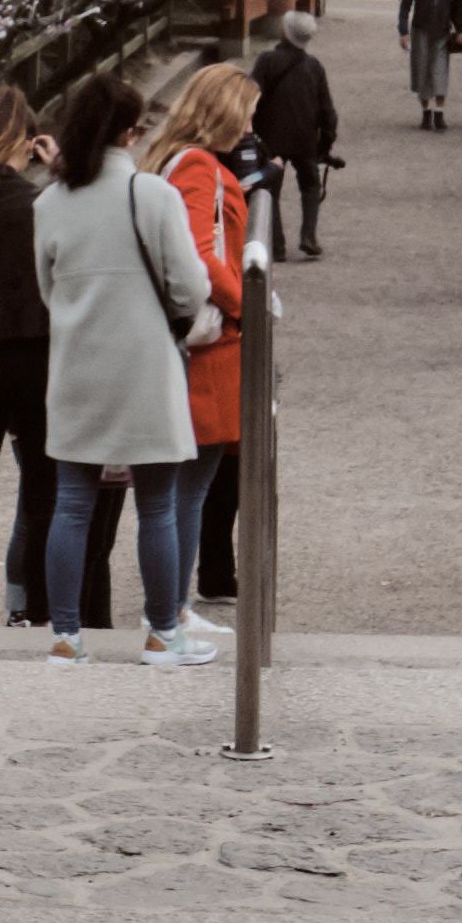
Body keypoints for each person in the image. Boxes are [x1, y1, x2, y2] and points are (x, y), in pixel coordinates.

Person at [33, 68, 221, 661]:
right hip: (145, 364)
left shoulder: (49, 202)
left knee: (72, 502)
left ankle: (65, 637)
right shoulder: (154, 195)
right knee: (157, 505)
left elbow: (47, 289)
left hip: (77, 362)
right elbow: (190, 288)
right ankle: (163, 632)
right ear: (129, 132)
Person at [0, 81, 89, 632]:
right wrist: (61, 169)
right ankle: (41, 607)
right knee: (43, 493)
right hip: (36, 354)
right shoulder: (42, 205)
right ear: (29, 141)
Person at [152, 62, 264, 656]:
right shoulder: (198, 166)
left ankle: (171, 609)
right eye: (245, 113)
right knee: (189, 490)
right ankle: (171, 613)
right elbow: (200, 254)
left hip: (196, 340)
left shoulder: (174, 160)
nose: (249, 127)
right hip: (213, 344)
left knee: (182, 490)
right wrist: (248, 304)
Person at [248, 6, 341, 261]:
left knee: (270, 190)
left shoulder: (266, 61)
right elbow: (327, 110)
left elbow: (250, 96)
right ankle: (308, 235)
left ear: (285, 32)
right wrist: (326, 142)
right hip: (305, 139)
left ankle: (276, 244)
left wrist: (249, 131)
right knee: (310, 185)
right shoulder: (314, 66)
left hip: (270, 140)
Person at [396, 0, 458, 131]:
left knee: (440, 70)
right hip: (420, 30)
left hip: (442, 32)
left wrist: (460, 30)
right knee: (421, 69)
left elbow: (457, 7)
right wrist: (403, 31)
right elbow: (405, 6)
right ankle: (426, 112)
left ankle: (439, 113)